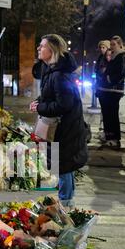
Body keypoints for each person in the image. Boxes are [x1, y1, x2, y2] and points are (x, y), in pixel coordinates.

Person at [30, 34, 88, 208]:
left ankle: (66, 204)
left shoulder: (60, 74)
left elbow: (64, 104)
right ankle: (65, 202)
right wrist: (40, 101)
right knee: (60, 165)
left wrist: (40, 108)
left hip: (66, 129)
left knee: (63, 166)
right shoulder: (52, 70)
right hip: (62, 127)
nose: (39, 48)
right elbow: (52, 95)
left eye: (42, 46)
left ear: (52, 50)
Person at [98, 35, 125, 149]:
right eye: (111, 44)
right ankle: (109, 137)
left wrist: (108, 78)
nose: (111, 47)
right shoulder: (113, 56)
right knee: (107, 114)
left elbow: (120, 73)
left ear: (120, 45)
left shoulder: (121, 56)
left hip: (114, 90)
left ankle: (115, 139)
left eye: (113, 44)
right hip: (107, 90)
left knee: (112, 115)